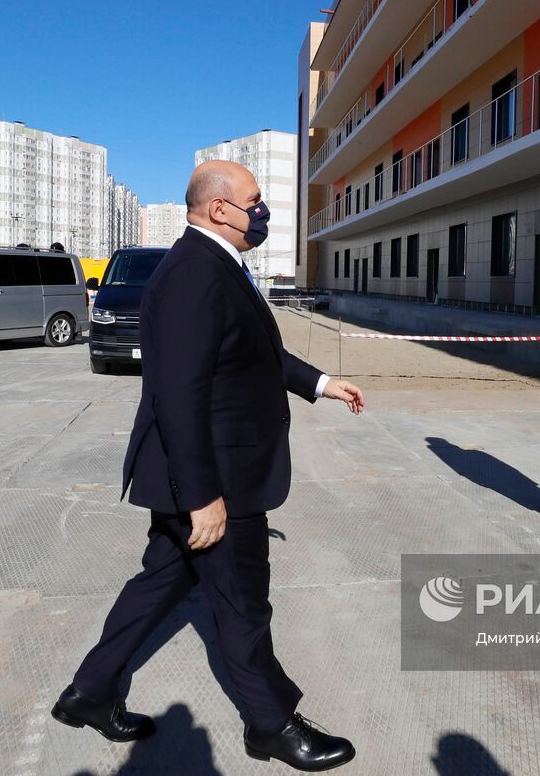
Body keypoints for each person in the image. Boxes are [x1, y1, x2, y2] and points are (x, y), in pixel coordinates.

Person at [55, 160, 366, 771]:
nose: (263, 211)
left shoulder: (217, 266)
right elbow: (179, 394)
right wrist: (203, 497)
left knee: (159, 585)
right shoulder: (195, 274)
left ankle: (88, 693)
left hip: (200, 474)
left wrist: (321, 383)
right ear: (220, 209)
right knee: (243, 605)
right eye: (255, 200)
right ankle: (271, 725)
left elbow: (257, 352)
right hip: (216, 480)